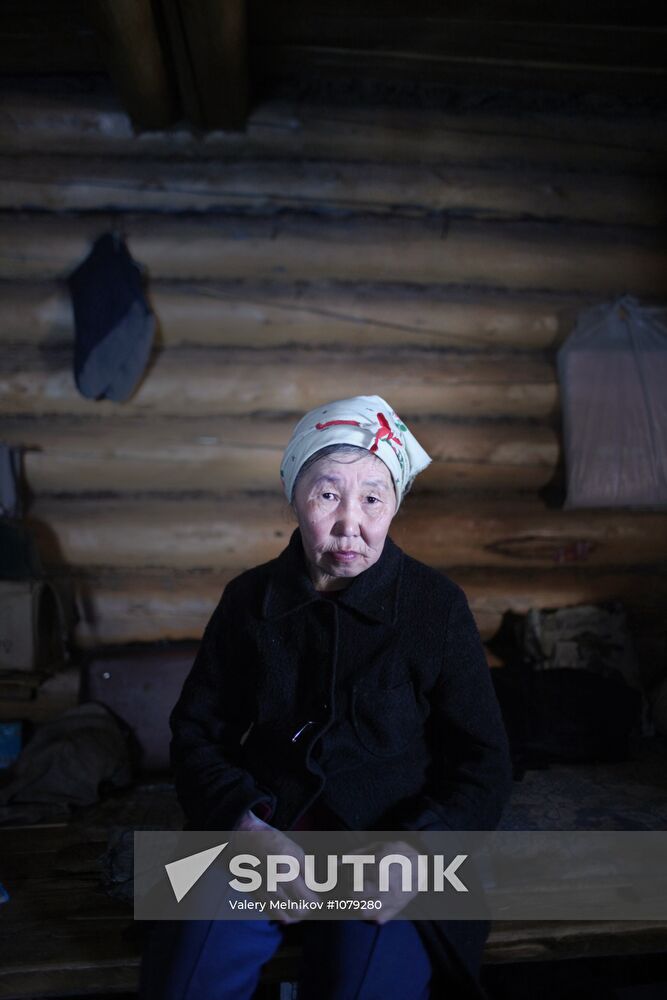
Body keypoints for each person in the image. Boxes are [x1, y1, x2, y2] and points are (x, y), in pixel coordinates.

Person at [139, 394, 513, 999]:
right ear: (294, 497)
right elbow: (195, 735)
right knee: (184, 975)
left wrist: (418, 849)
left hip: (386, 846)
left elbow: (485, 764)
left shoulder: (434, 607)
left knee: (363, 980)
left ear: (394, 506)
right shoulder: (248, 601)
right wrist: (242, 825)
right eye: (327, 494)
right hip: (262, 839)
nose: (350, 523)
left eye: (372, 497)